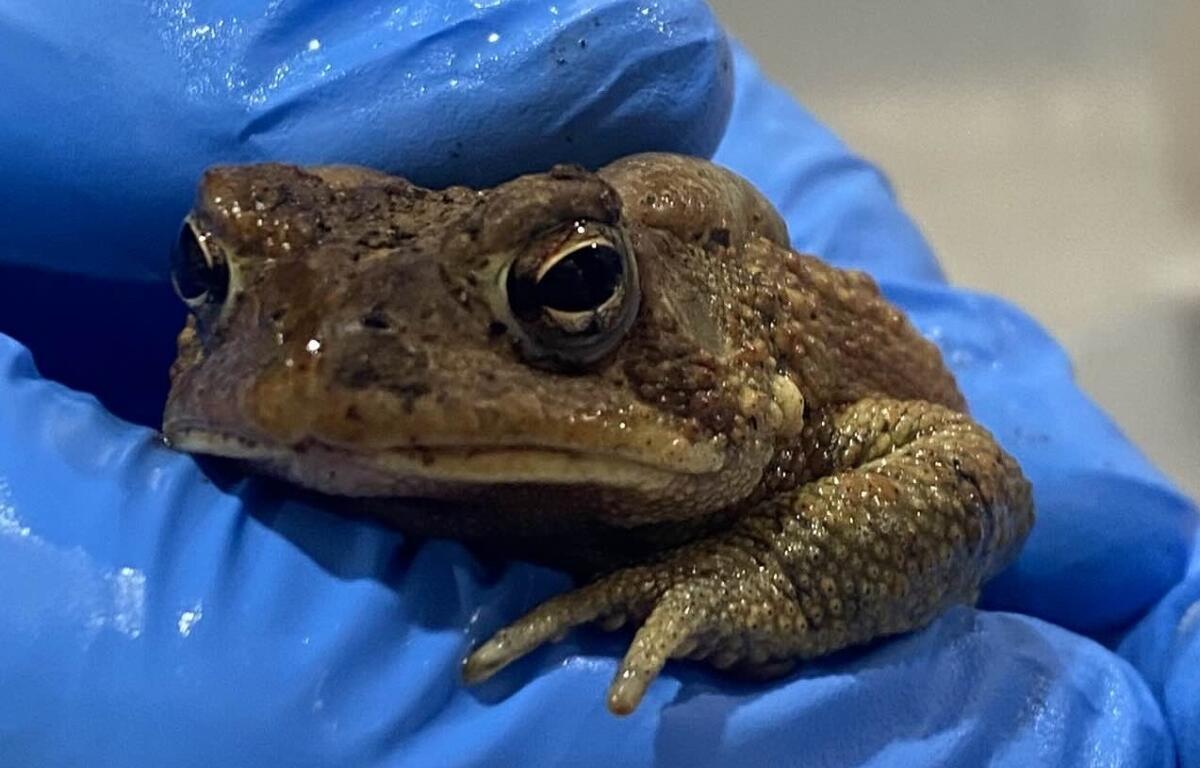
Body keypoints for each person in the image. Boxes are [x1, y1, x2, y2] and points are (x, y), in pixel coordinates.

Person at [0, 2, 1194, 765]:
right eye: (211, 275)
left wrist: (758, 579)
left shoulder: (752, 369)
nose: (329, 370)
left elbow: (961, 469)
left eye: (563, 292)